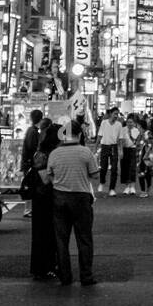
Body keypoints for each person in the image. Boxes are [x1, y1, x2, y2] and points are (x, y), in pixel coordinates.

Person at [47, 119, 100, 286]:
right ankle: (86, 276)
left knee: (61, 240)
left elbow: (49, 176)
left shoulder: (54, 153)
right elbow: (95, 175)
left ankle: (65, 276)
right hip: (81, 198)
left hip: (59, 197)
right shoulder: (85, 152)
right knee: (84, 238)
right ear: (79, 134)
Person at [29, 117, 60, 281]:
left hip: (46, 197)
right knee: (44, 234)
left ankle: (48, 265)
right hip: (42, 198)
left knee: (49, 234)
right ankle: (42, 268)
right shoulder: (42, 155)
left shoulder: (45, 153)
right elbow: (45, 179)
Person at [20, 108, 43, 218]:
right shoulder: (33, 132)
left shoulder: (31, 130)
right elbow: (33, 148)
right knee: (30, 186)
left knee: (30, 185)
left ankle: (29, 209)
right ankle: (28, 210)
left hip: (27, 163)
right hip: (30, 164)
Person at [96, 106, 122, 195]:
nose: (116, 116)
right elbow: (99, 135)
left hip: (114, 147)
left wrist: (120, 150)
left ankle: (112, 189)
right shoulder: (104, 123)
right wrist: (95, 147)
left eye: (117, 114)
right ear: (110, 114)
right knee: (103, 167)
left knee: (114, 169)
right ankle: (102, 182)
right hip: (104, 146)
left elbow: (120, 139)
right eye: (115, 114)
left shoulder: (119, 124)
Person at [120, 113, 144, 195]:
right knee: (125, 168)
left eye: (131, 122)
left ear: (134, 123)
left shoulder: (137, 130)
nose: (129, 124)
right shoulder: (122, 129)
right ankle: (127, 186)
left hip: (133, 150)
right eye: (128, 122)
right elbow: (120, 141)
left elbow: (138, 142)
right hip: (124, 149)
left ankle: (133, 186)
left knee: (133, 168)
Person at [138, 132, 153, 197]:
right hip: (142, 164)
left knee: (148, 178)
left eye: (152, 138)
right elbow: (139, 154)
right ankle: (143, 191)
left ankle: (148, 187)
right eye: (149, 138)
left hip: (149, 165)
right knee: (140, 176)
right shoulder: (142, 146)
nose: (151, 140)